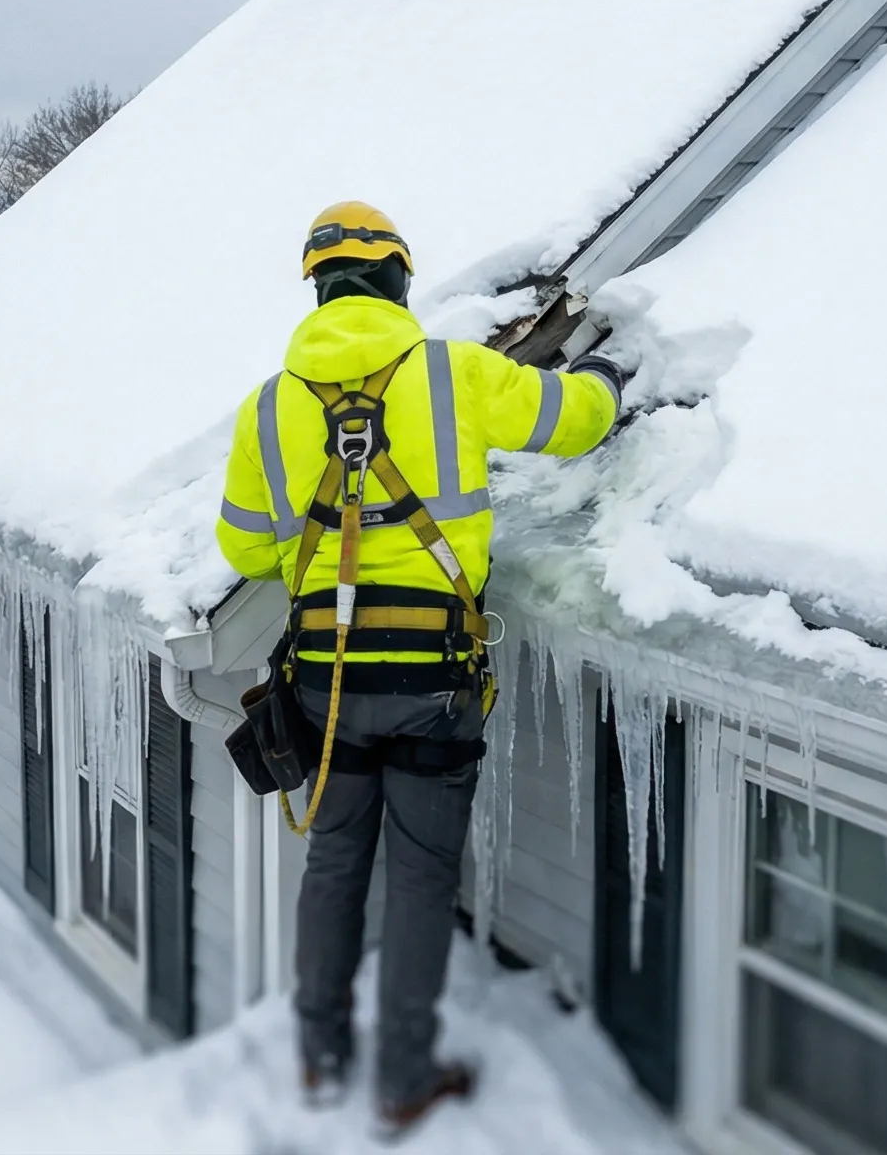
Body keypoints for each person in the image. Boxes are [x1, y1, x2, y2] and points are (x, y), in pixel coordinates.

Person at [216, 200, 625, 1136]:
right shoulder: (454, 373)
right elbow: (574, 421)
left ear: (318, 288)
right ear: (400, 279)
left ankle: (319, 1059)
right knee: (419, 874)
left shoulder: (270, 404)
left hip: (325, 676)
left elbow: (241, 550)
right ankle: (402, 1077)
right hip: (433, 680)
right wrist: (603, 369)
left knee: (334, 861)